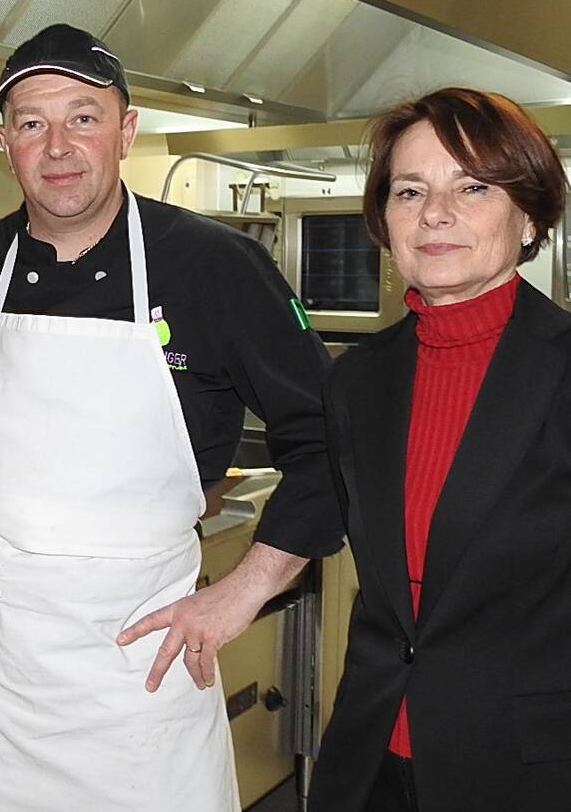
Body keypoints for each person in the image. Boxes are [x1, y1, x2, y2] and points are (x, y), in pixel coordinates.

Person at [0, 23, 336, 811]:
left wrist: (243, 591)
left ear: (126, 131)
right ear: (5, 141)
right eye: (32, 123)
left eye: (84, 116)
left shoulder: (214, 268)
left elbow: (327, 441)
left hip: (134, 676)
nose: (58, 147)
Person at [138, 87, 571, 811]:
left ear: (527, 215)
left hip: (526, 767)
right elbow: (329, 502)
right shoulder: (362, 378)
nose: (436, 213)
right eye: (410, 190)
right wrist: (238, 592)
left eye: (473, 187)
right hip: (371, 755)